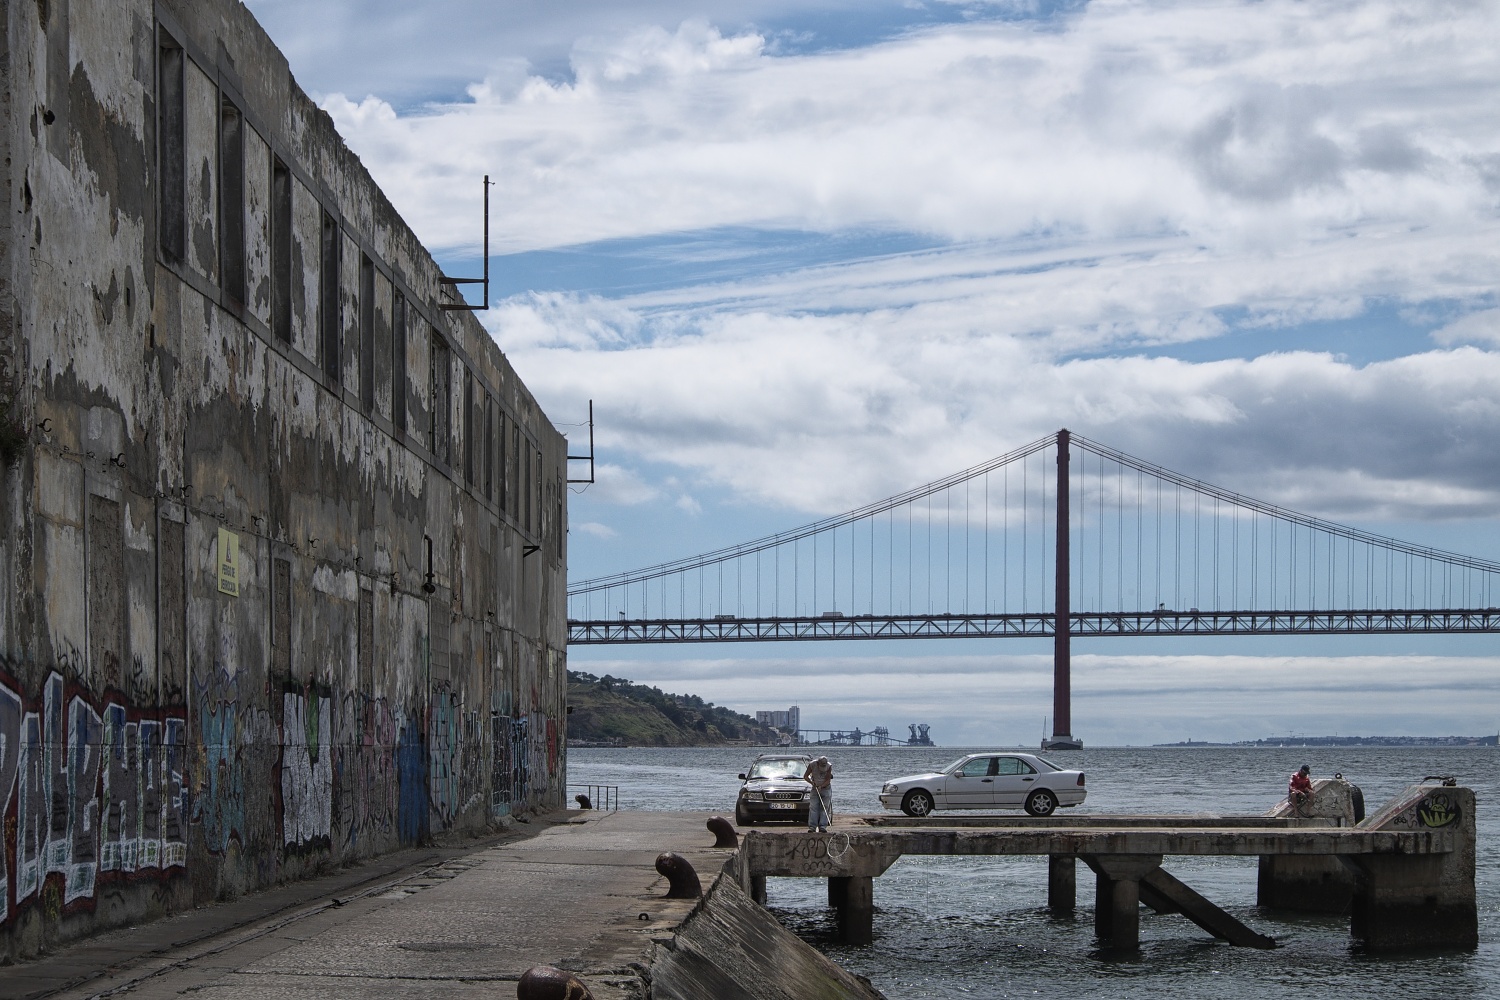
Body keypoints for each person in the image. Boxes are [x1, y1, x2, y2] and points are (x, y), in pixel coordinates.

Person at [803, 756, 833, 833]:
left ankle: (822, 827)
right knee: (813, 807)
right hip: (815, 789)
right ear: (817, 763)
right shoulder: (812, 764)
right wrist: (811, 782)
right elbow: (805, 776)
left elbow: (828, 780)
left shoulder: (829, 766)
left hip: (826, 789)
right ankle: (812, 827)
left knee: (824, 807)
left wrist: (821, 786)